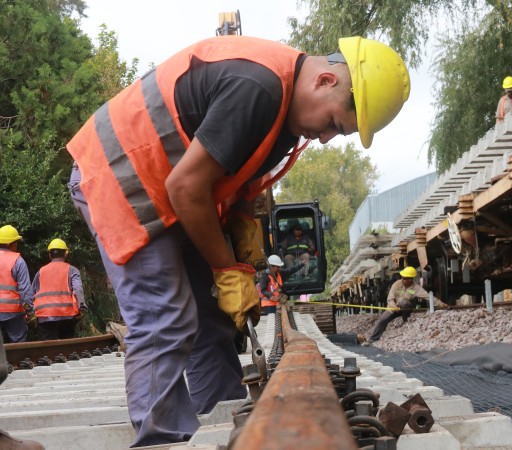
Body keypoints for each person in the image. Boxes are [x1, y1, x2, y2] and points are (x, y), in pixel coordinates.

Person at [65, 34, 410, 446]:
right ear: (326, 82)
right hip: (122, 180)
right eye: (335, 124)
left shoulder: (283, 114)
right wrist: (227, 270)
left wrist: (244, 223)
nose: (324, 138)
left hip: (169, 189)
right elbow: (187, 187)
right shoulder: (258, 88)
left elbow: (231, 174)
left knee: (211, 318)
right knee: (164, 316)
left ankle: (223, 421)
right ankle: (164, 441)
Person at [362, 267, 448, 346]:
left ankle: (406, 321)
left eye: (406, 278)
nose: (404, 279)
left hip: (406, 309)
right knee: (382, 320)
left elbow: (429, 297)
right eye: (403, 277)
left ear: (411, 279)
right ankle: (372, 339)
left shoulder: (416, 288)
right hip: (393, 308)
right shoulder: (396, 284)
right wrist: (394, 307)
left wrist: (442, 305)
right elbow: (390, 299)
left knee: (404, 303)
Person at [31, 239, 86, 340]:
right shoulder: (72, 270)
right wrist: (81, 306)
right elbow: (78, 289)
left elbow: (31, 292)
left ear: (49, 255)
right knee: (66, 347)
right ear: (65, 253)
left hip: (45, 316)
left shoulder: (41, 271)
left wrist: (30, 312)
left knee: (48, 349)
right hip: (67, 314)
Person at [0, 225, 34, 344]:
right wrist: (30, 312)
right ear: (11, 244)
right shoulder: (18, 261)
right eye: (16, 242)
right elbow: (25, 289)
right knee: (18, 344)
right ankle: (17, 362)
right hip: (13, 311)